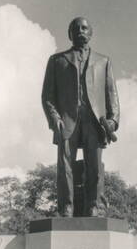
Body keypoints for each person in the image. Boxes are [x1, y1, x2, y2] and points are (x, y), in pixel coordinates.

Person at [42, 17, 120, 217]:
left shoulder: (103, 61)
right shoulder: (57, 60)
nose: (80, 31)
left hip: (95, 121)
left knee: (95, 167)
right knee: (65, 167)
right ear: (69, 34)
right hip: (66, 120)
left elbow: (111, 94)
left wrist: (113, 120)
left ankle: (95, 207)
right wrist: (55, 119)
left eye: (84, 28)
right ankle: (65, 208)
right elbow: (48, 96)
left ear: (91, 33)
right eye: (76, 28)